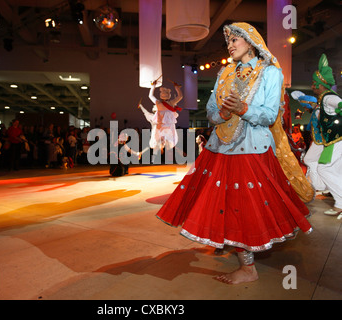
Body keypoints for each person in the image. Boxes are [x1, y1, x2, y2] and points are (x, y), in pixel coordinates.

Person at [156, 22, 312, 285]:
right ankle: (238, 255)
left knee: (245, 209)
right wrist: (224, 113)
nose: (229, 45)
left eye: (235, 40)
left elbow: (270, 115)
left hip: (252, 148)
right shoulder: (225, 72)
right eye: (227, 41)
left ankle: (248, 269)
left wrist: (243, 108)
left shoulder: (271, 72)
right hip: (219, 148)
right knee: (222, 206)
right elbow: (210, 110)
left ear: (250, 41)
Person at [304, 54, 342, 218]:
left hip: (338, 139)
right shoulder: (323, 99)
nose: (312, 85)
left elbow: (339, 103)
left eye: (314, 83)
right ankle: (338, 202)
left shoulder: (328, 97)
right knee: (327, 167)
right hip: (334, 140)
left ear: (320, 84)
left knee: (324, 168)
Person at [146, 79, 183, 160]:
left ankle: (160, 148)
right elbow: (180, 96)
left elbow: (150, 96)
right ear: (168, 95)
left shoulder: (158, 103)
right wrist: (177, 88)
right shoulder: (171, 103)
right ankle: (163, 148)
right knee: (168, 138)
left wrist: (153, 86)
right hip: (168, 126)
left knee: (159, 138)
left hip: (160, 125)